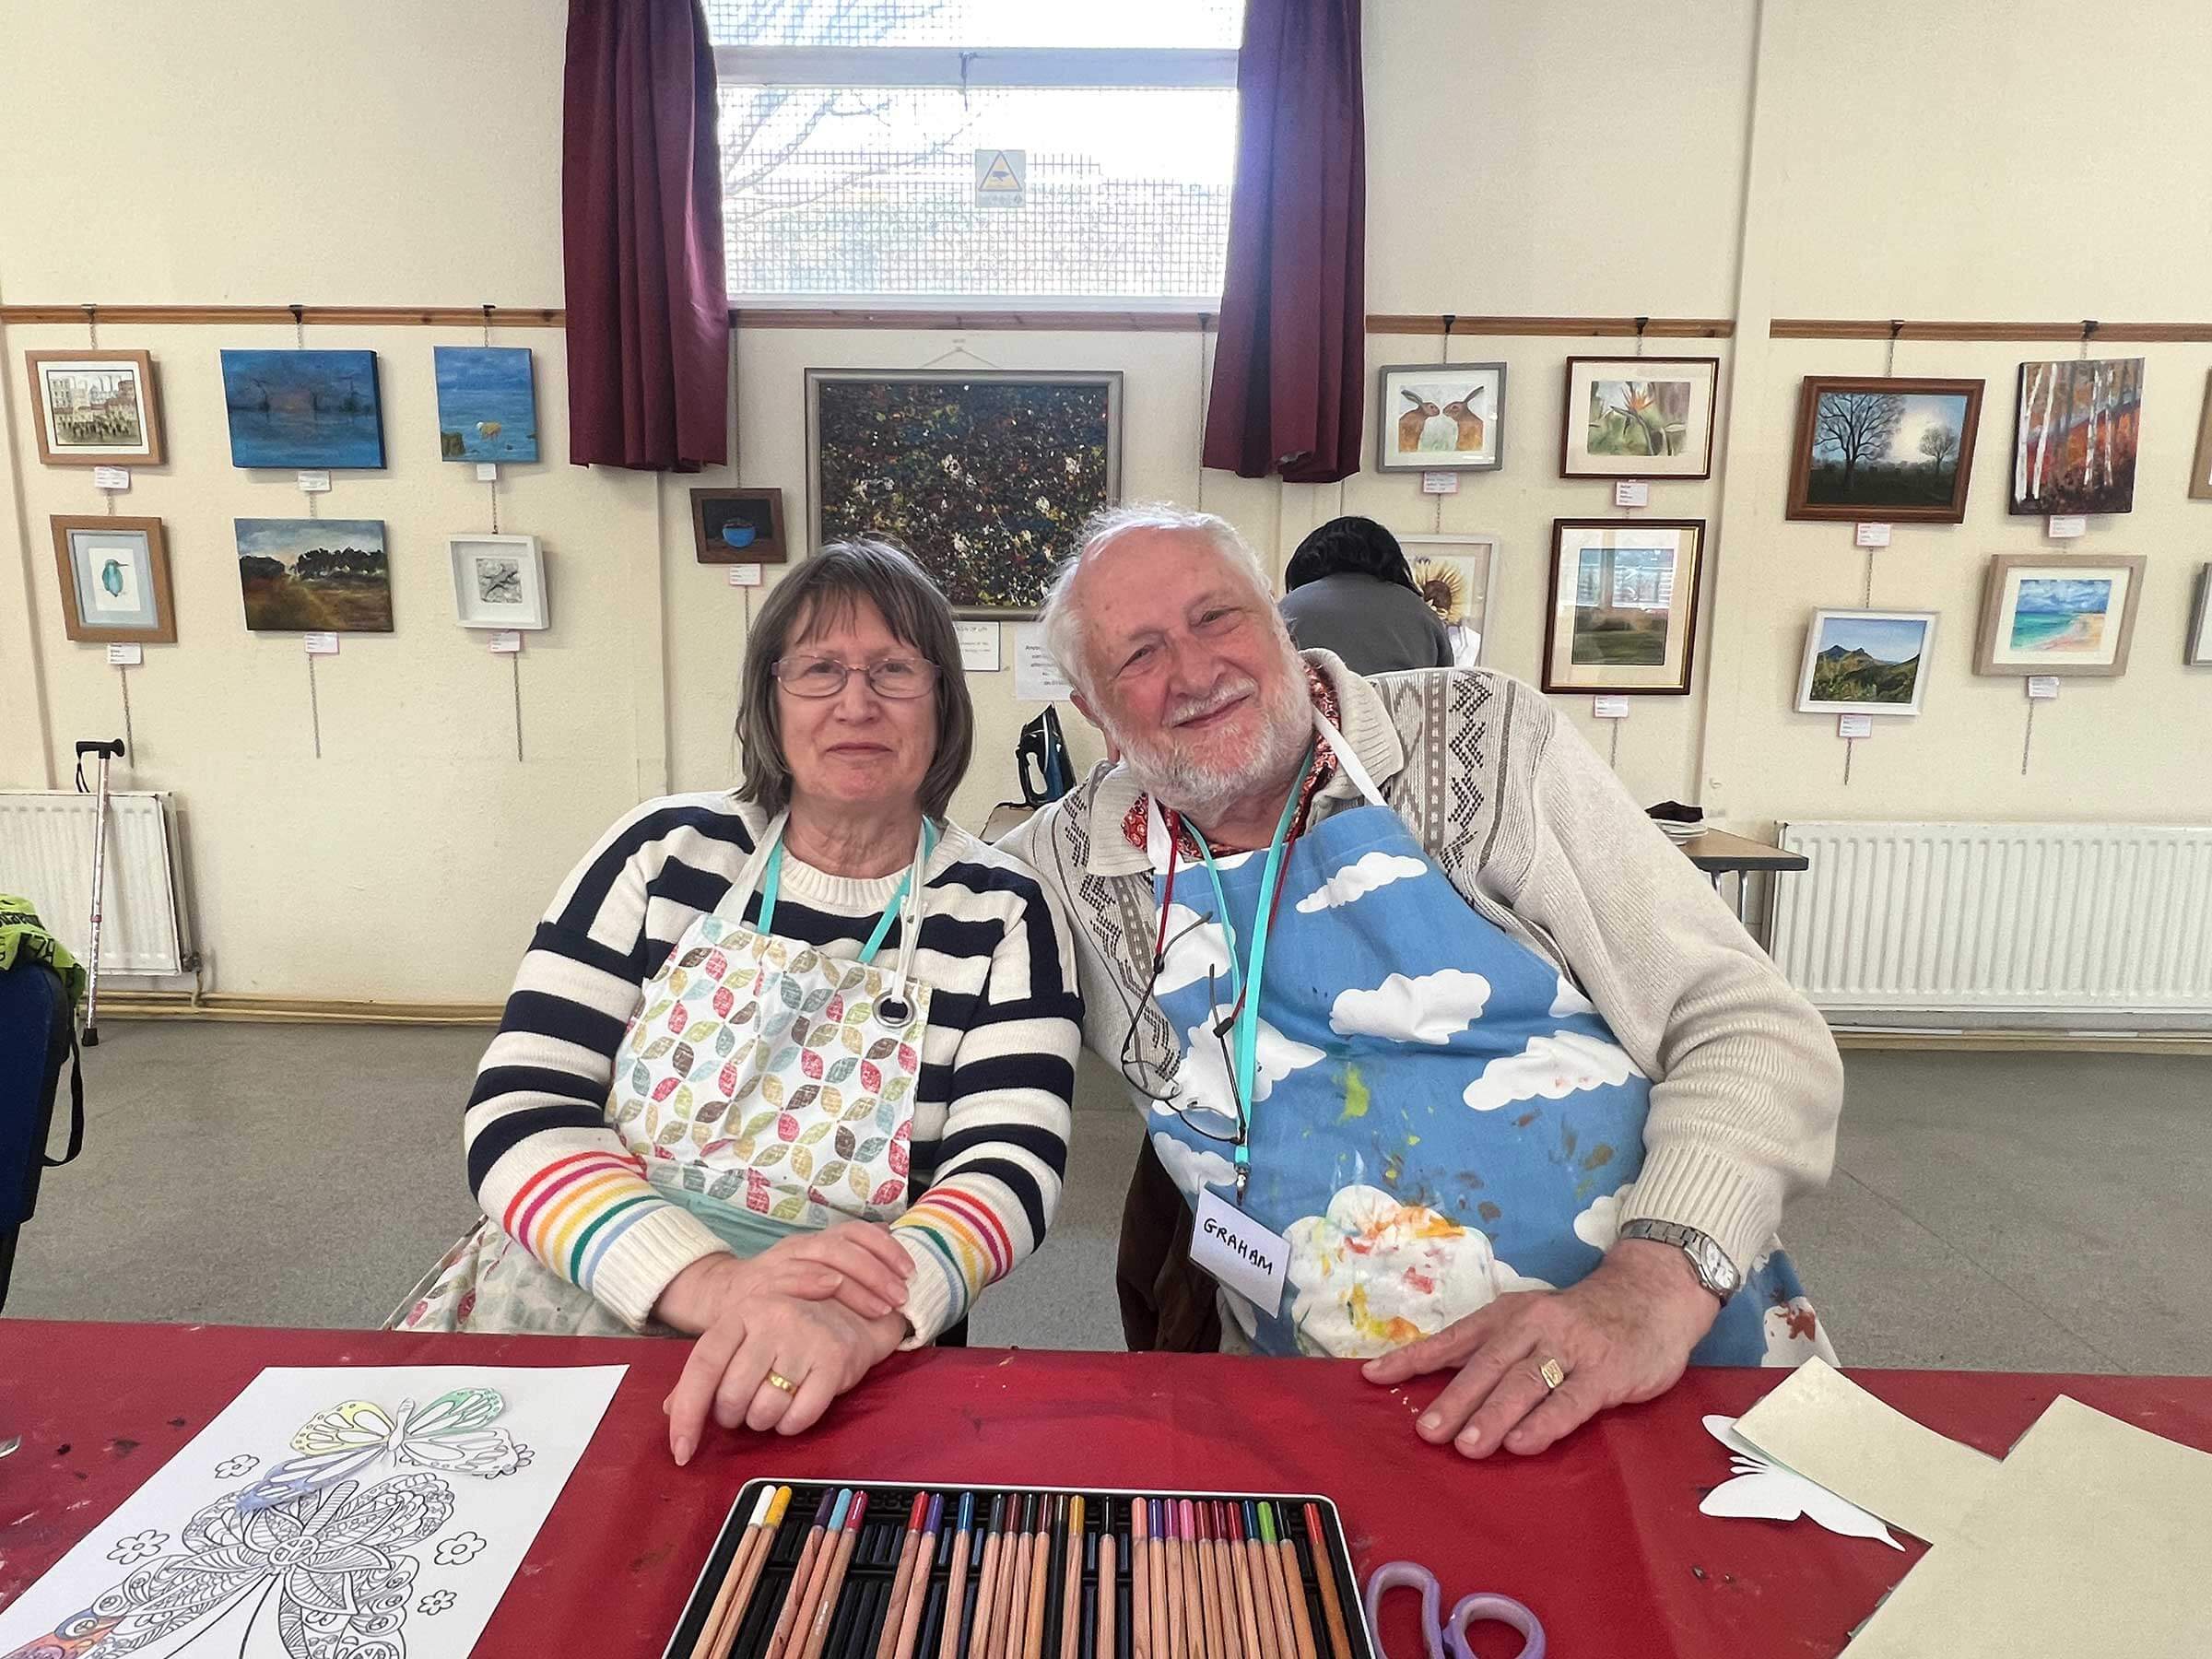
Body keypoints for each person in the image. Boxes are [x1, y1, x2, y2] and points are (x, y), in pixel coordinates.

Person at [1002, 504, 1842, 1461]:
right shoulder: (1060, 869)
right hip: (1328, 1412)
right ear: (1092, 712)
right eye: (1138, 655)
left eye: (1216, 618)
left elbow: (1751, 1027)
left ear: (1277, 619)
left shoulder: (1486, 741)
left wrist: (1649, 1290)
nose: (1194, 674)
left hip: (1657, 1353)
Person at [396, 539, 1083, 1464]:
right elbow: (523, 1114)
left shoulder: (1005, 912)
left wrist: (854, 1318)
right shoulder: (663, 855)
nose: (856, 702)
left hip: (845, 1343)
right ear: (770, 697)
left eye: (893, 670)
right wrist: (715, 1284)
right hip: (583, 1289)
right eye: (819, 670)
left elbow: (1006, 1171)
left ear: (943, 702)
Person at [1277, 516, 1453, 675]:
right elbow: (1444, 693)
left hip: (1310, 709)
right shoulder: (1422, 614)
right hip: (1402, 710)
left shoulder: (1289, 609)